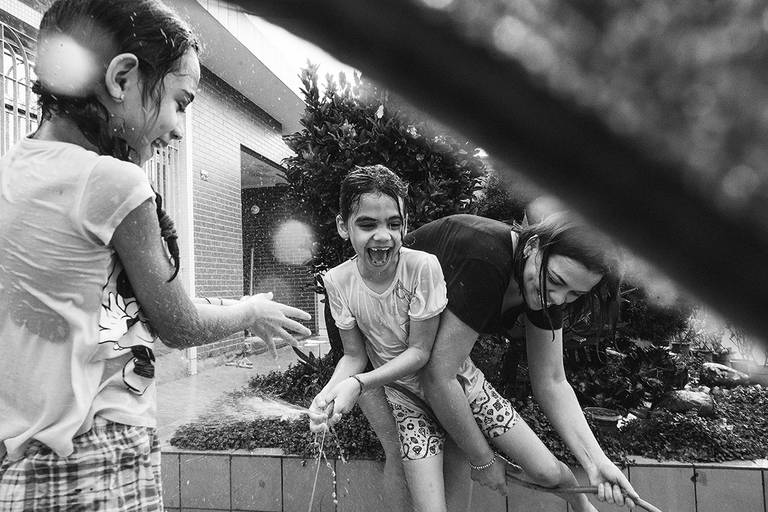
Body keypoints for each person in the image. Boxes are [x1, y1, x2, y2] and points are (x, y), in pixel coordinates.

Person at [0, 1, 311, 510]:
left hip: (25, 463)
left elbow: (106, 317)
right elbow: (180, 326)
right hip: (99, 457)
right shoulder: (111, 180)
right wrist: (250, 311)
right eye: (180, 102)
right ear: (122, 78)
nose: (179, 128)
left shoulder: (14, 171)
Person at [404, 212, 639, 511]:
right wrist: (483, 460)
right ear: (533, 246)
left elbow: (552, 381)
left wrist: (597, 462)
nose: (557, 299)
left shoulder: (545, 284)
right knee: (420, 456)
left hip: (438, 358)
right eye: (556, 281)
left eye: (575, 294)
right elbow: (439, 376)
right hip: (381, 338)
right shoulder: (486, 258)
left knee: (458, 439)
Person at [309, 165, 471, 512]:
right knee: (397, 454)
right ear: (343, 226)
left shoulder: (422, 267)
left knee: (456, 449)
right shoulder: (338, 281)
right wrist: (327, 395)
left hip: (435, 377)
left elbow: (421, 351)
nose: (382, 235)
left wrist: (356, 382)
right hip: (383, 383)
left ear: (405, 224)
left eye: (393, 224)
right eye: (367, 224)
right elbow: (353, 355)